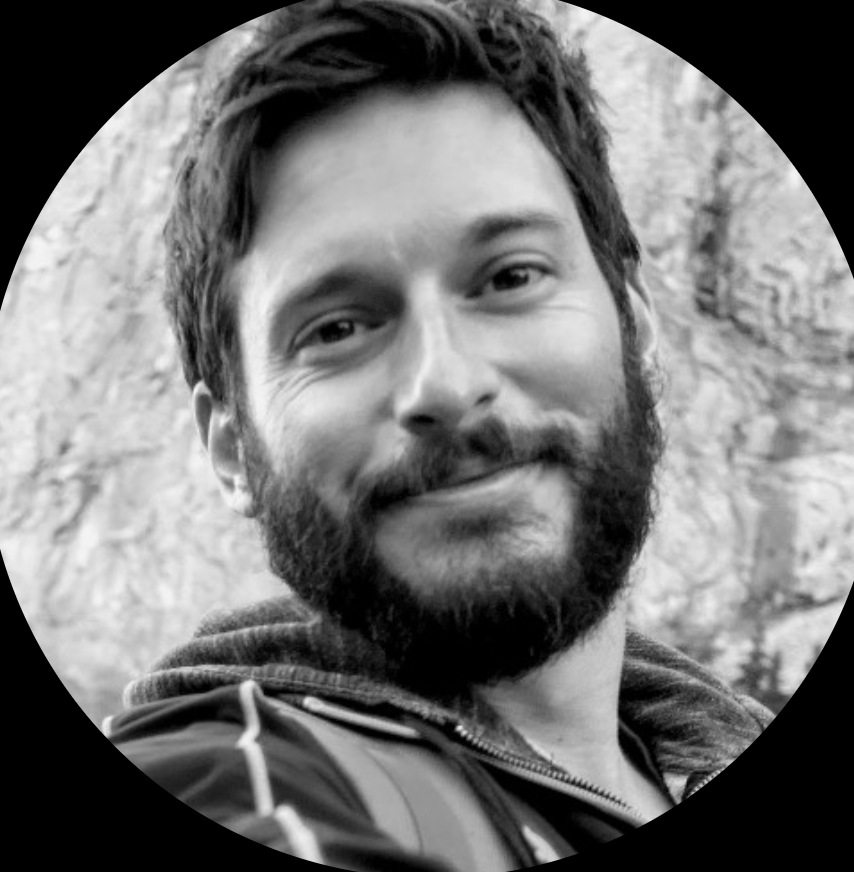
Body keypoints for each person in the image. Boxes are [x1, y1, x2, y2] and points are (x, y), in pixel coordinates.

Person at [106, 0, 774, 866]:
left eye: (510, 276)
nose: (448, 386)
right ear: (231, 449)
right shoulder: (235, 785)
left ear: (636, 324)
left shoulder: (706, 746)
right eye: (337, 328)